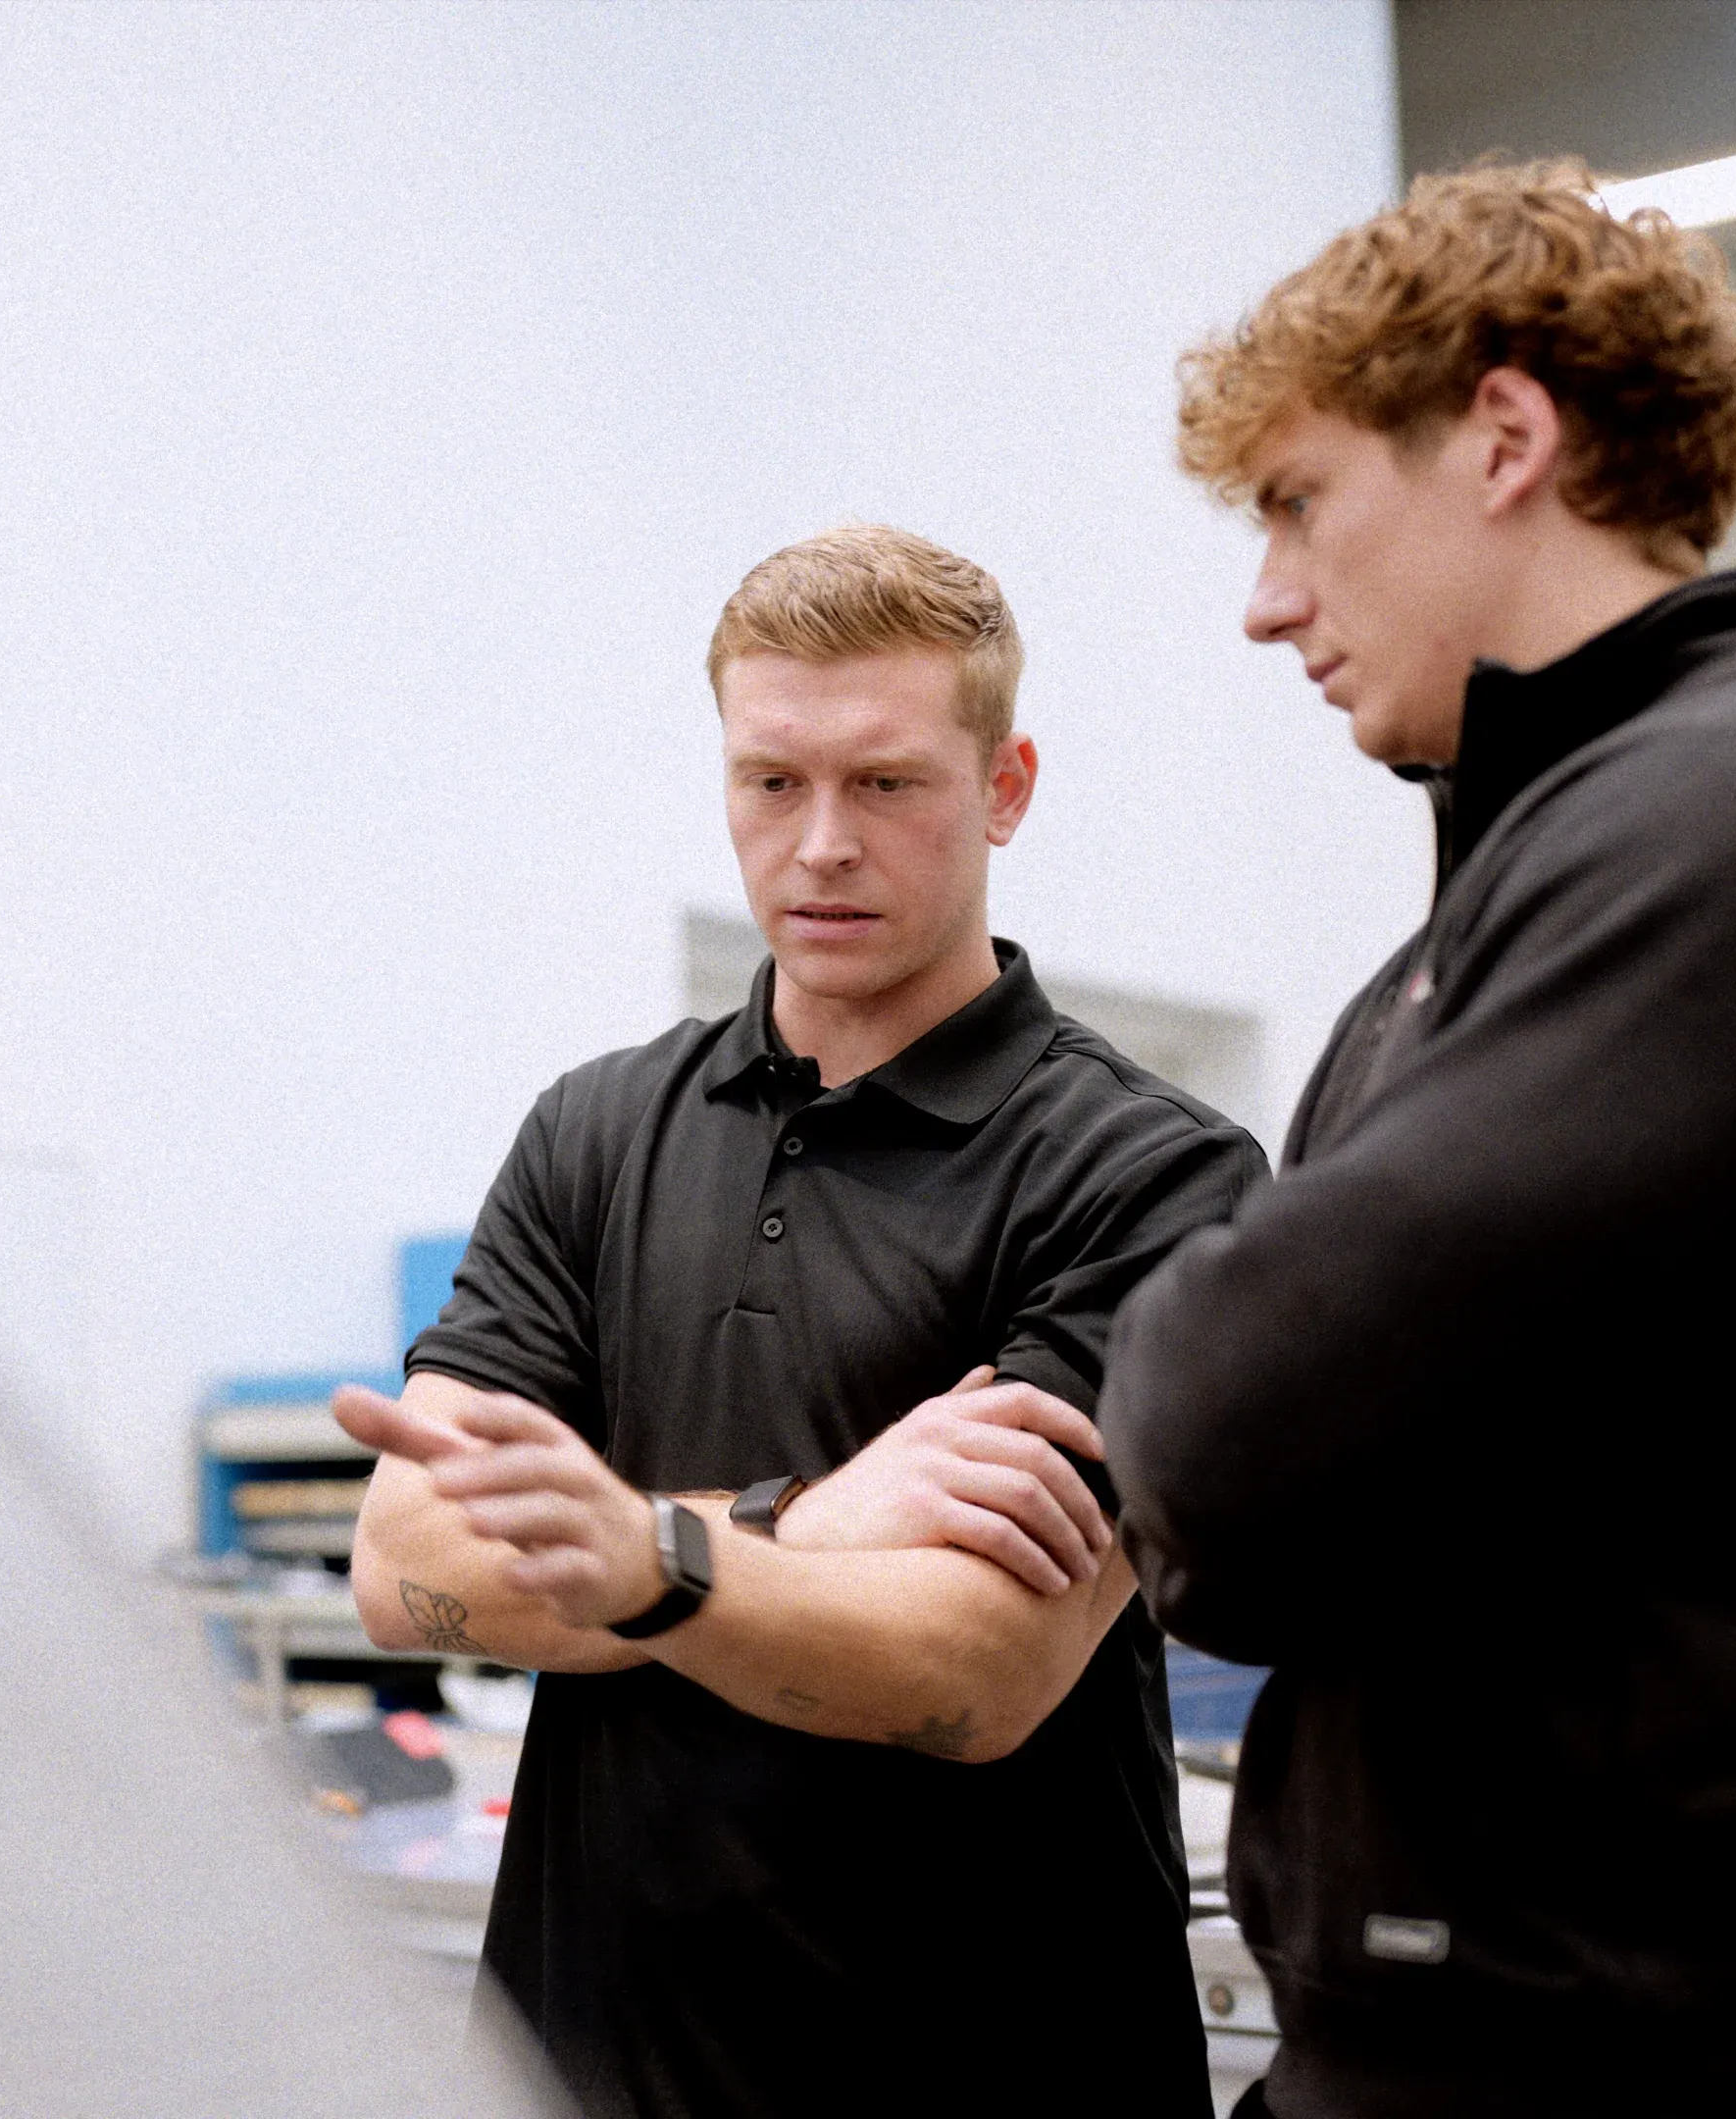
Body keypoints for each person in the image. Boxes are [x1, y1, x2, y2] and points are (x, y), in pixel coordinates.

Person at [1098, 161, 1736, 2117]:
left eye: (1298, 503)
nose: (1268, 601)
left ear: (1507, 439)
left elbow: (1217, 1413)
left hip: (1662, 2063)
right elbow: (1232, 1554)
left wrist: (1229, 1393)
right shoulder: (1468, 930)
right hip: (1416, 2043)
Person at [332, 524, 1263, 2117]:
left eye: (887, 784)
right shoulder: (595, 1132)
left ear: (1006, 786)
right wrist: (805, 1525)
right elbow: (405, 1567)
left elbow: (979, 1671)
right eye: (772, 782)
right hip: (590, 2063)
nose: (821, 843)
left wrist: (639, 1559)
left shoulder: (1154, 1171)